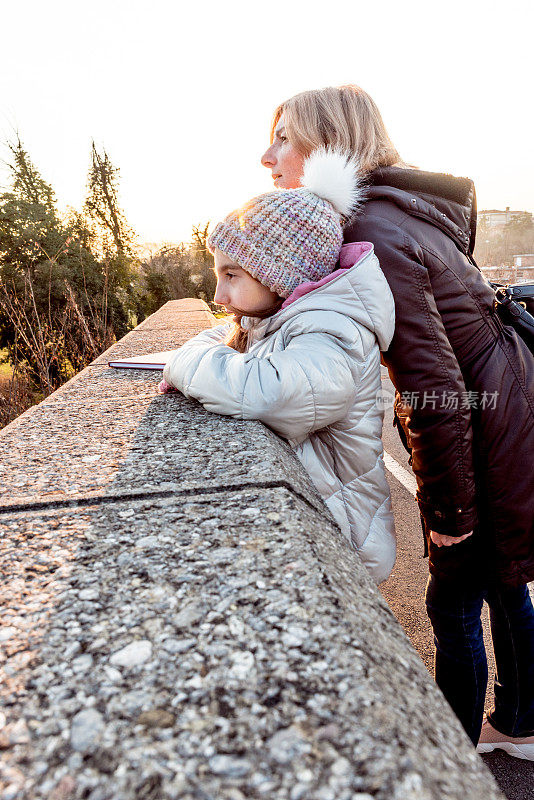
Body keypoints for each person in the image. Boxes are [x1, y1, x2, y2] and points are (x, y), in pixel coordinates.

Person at [260, 85, 534, 758]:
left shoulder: (371, 230)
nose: (267, 154)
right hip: (510, 406)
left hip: (486, 425)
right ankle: (523, 725)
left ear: (327, 146)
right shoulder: (398, 212)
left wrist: (448, 514)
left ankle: (453, 761)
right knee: (505, 580)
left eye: (284, 138)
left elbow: (434, 390)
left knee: (454, 599)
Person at [160, 147, 397, 584]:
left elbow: (267, 392)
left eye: (232, 276)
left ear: (281, 274)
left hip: (343, 538)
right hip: (324, 518)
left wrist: (182, 362)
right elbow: (220, 334)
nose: (219, 295)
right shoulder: (280, 316)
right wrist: (200, 353)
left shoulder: (330, 330)